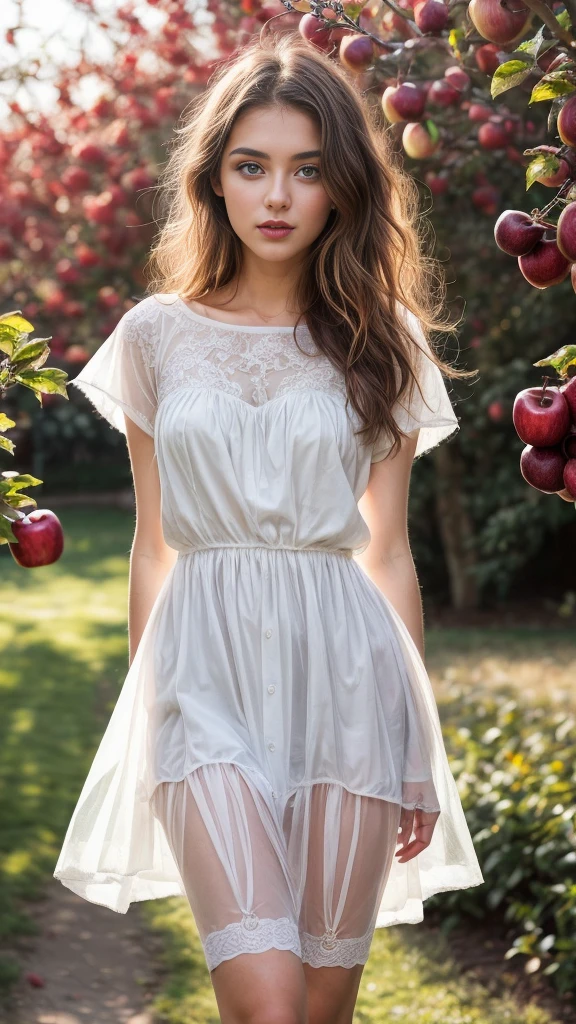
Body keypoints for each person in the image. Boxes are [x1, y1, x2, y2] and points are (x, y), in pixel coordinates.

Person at [54, 28, 483, 1024]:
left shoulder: (387, 341)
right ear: (215, 181)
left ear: (342, 186)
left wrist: (415, 738)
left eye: (307, 169)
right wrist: (155, 711)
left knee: (323, 1007)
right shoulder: (155, 336)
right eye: (252, 167)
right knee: (269, 1004)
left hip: (350, 679)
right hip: (201, 680)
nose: (278, 196)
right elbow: (154, 542)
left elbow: (386, 549)